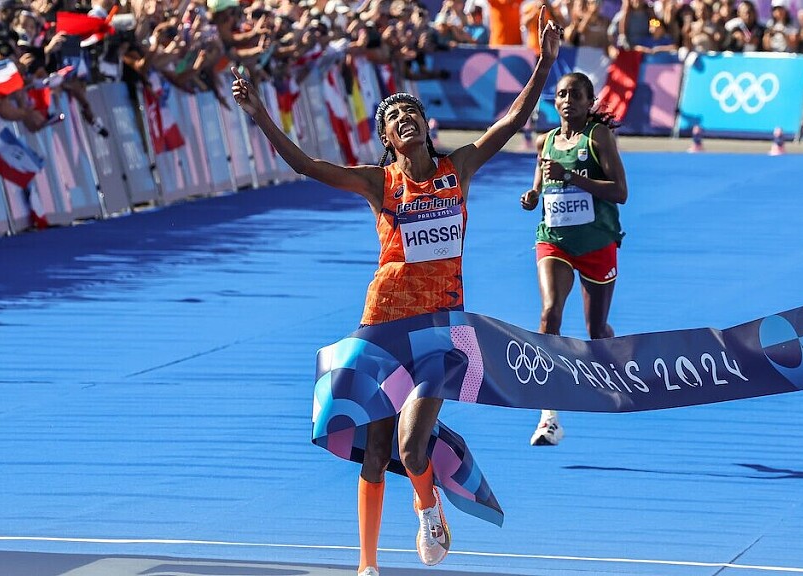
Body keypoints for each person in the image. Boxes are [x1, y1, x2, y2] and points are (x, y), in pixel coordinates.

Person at [232, 8, 561, 576]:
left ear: (426, 126)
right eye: (393, 118)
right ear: (387, 138)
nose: (404, 119)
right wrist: (260, 114)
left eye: (412, 112)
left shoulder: (458, 168)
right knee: (376, 449)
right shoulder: (378, 182)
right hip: (383, 326)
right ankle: (367, 566)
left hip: (440, 330)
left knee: (412, 447)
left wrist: (544, 65)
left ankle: (428, 510)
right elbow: (307, 165)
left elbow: (510, 121)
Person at [519, 71, 627, 447]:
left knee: (597, 331)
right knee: (550, 313)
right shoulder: (547, 140)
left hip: (597, 242)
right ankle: (549, 415)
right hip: (555, 241)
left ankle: (615, 367)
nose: (567, 100)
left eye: (576, 95)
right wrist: (533, 194)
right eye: (562, 94)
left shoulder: (598, 137)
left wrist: (572, 177)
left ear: (589, 101)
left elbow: (620, 192)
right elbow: (541, 178)